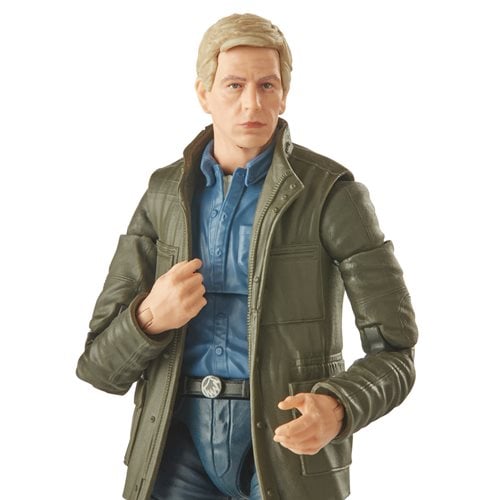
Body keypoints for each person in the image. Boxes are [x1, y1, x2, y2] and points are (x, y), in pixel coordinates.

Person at [76, 12, 418, 500]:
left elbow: (397, 353)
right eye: (234, 85)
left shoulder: (331, 194)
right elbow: (98, 367)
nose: (252, 103)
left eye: (267, 85)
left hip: (287, 444)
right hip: (178, 444)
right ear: (204, 94)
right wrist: (150, 318)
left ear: (284, 94)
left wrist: (339, 406)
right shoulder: (164, 194)